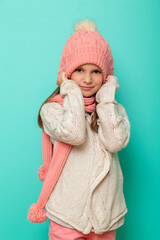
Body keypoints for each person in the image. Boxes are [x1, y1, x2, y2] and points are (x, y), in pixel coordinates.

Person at [27, 19, 131, 240]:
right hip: (67, 217)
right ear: (66, 74)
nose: (87, 79)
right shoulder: (52, 110)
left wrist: (106, 99)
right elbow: (74, 133)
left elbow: (114, 142)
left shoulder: (113, 110)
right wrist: (70, 91)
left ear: (106, 76)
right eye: (79, 70)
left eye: (95, 72)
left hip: (104, 219)